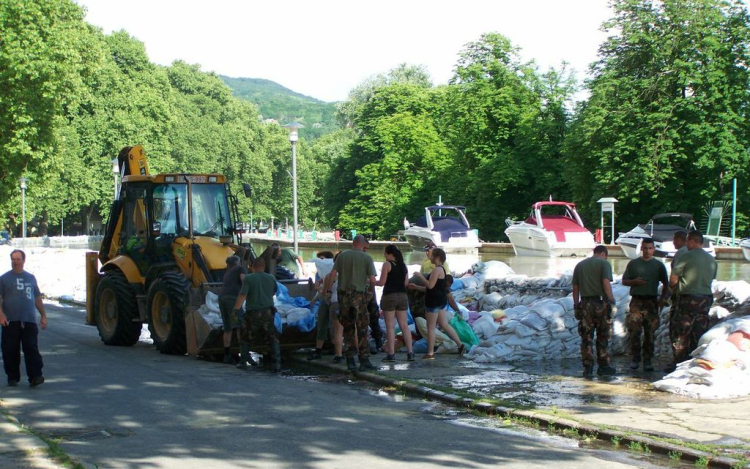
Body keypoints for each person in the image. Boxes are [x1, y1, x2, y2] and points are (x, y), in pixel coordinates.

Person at [324, 234, 377, 372]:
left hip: (343, 296)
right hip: (359, 296)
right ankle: (364, 360)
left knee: (347, 328)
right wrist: (370, 292)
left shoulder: (342, 256)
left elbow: (332, 274)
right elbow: (372, 280)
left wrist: (329, 291)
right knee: (362, 329)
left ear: (353, 243)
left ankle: (350, 360)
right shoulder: (367, 258)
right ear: (363, 244)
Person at [667, 230, 717, 371]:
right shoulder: (711, 259)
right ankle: (696, 365)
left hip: (687, 299)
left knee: (680, 333)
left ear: (693, 241)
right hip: (705, 299)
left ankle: (679, 365)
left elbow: (673, 280)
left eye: (688, 241)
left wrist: (675, 288)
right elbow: (711, 279)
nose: (686, 244)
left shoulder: (686, 256)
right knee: (699, 332)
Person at [621, 238, 670, 372]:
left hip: (651, 302)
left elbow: (666, 284)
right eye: (645, 248)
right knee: (634, 331)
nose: (648, 251)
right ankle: (635, 358)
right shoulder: (633, 264)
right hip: (637, 301)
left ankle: (647, 360)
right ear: (641, 249)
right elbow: (624, 281)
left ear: (654, 249)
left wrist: (662, 299)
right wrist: (634, 282)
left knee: (650, 333)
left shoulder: (659, 265)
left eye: (650, 248)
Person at [0, 250, 47, 387]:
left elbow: (37, 297)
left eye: (18, 259)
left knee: (31, 348)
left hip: (28, 320)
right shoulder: (3, 279)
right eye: (13, 259)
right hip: (10, 320)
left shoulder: (31, 278)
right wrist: (1, 314)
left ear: (23, 260)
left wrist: (43, 315)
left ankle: (35, 376)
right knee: (10, 350)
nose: (15, 262)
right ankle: (12, 377)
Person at [410, 248, 464, 360]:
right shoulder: (443, 270)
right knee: (444, 324)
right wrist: (416, 287)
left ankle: (430, 353)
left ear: (438, 257)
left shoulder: (436, 270)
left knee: (430, 327)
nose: (430, 257)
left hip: (433, 302)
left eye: (432, 256)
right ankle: (460, 345)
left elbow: (430, 286)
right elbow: (432, 288)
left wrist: (420, 276)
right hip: (441, 301)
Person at [572, 245, 617, 377]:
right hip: (601, 303)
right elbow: (605, 282)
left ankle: (588, 367)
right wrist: (611, 300)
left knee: (586, 337)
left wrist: (576, 305)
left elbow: (575, 287)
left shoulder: (580, 265)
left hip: (585, 304)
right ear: (604, 253)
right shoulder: (604, 263)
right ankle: (603, 366)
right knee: (603, 335)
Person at [233, 258, 281, 372]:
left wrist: (235, 309)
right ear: (264, 266)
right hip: (268, 313)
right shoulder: (271, 278)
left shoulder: (249, 278)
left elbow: (243, 295)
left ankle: (243, 362)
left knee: (245, 337)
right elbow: (274, 292)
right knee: (271, 337)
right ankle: (277, 364)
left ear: (252, 266)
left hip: (253, 313)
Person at [375, 244, 414, 362]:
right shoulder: (403, 266)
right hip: (402, 296)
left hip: (390, 296)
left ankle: (391, 354)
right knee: (404, 325)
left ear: (388, 253)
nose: (384, 255)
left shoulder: (387, 264)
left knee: (390, 326)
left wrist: (370, 281)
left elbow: (382, 282)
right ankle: (410, 352)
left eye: (384, 253)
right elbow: (406, 283)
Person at [219, 255, 247, 365]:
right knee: (240, 326)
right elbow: (244, 281)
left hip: (222, 298)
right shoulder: (240, 268)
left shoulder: (227, 272)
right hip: (233, 299)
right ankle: (244, 355)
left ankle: (227, 355)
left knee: (228, 328)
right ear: (238, 262)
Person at [308, 251, 334, 361]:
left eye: (322, 259)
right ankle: (319, 349)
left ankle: (335, 347)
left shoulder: (332, 273)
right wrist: (314, 299)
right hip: (324, 300)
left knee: (334, 326)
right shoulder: (320, 273)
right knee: (322, 323)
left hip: (332, 300)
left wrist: (318, 290)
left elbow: (325, 291)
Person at [363, 239, 383, 354]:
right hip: (367, 292)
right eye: (365, 248)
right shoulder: (367, 259)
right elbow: (373, 278)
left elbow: (372, 279)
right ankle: (374, 342)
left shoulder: (366, 259)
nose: (366, 250)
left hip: (368, 292)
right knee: (369, 318)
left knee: (372, 317)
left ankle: (377, 341)